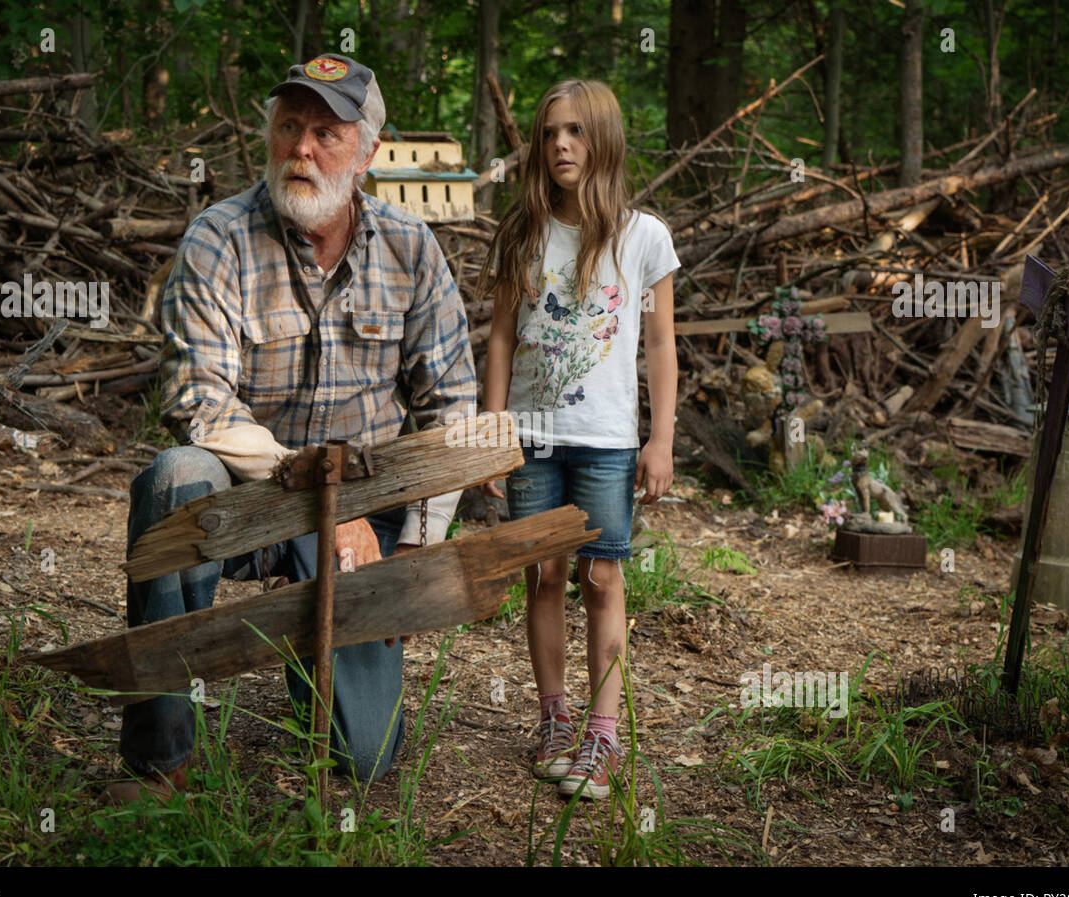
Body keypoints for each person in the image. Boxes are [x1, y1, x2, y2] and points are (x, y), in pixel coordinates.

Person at [109, 53, 476, 803]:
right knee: (175, 476)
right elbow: (197, 399)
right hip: (251, 497)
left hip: (364, 519)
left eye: (326, 133)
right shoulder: (218, 240)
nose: (301, 148)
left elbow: (454, 411)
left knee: (367, 758)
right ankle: (161, 758)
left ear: (368, 154)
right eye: (288, 127)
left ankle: (320, 660)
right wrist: (315, 492)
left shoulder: (411, 250)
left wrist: (413, 550)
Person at [478, 78, 680, 800]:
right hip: (531, 437)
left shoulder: (644, 236)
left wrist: (660, 439)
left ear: (603, 139)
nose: (560, 144)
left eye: (575, 131)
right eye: (549, 132)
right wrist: (492, 429)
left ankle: (603, 731)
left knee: (601, 577)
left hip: (605, 440)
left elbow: (660, 344)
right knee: (544, 575)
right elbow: (501, 335)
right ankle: (554, 718)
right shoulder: (523, 231)